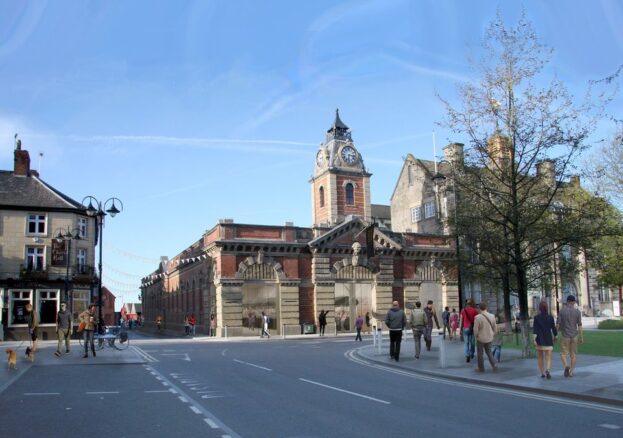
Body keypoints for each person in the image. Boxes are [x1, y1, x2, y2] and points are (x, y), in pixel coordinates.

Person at [557, 295, 583, 378]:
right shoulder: (577, 312)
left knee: (563, 354)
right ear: (574, 302)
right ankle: (571, 371)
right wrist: (581, 336)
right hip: (574, 335)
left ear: (567, 301)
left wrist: (555, 334)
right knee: (573, 355)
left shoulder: (562, 311)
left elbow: (558, 324)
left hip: (565, 335)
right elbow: (579, 325)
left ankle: (566, 366)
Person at [533, 301, 557, 379]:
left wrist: (534, 339)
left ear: (540, 308)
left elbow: (535, 330)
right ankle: (548, 370)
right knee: (548, 357)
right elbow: (553, 328)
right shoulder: (550, 317)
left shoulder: (536, 318)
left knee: (540, 357)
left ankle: (542, 373)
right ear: (547, 308)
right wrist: (556, 336)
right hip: (548, 339)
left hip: (539, 339)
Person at [473, 302, 497, 372]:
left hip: (481, 338)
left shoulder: (477, 317)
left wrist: (476, 335)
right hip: (489, 337)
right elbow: (495, 327)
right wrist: (493, 334)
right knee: (489, 352)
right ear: (486, 308)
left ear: (479, 309)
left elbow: (475, 329)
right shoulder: (492, 316)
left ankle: (481, 368)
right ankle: (494, 364)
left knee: (480, 354)